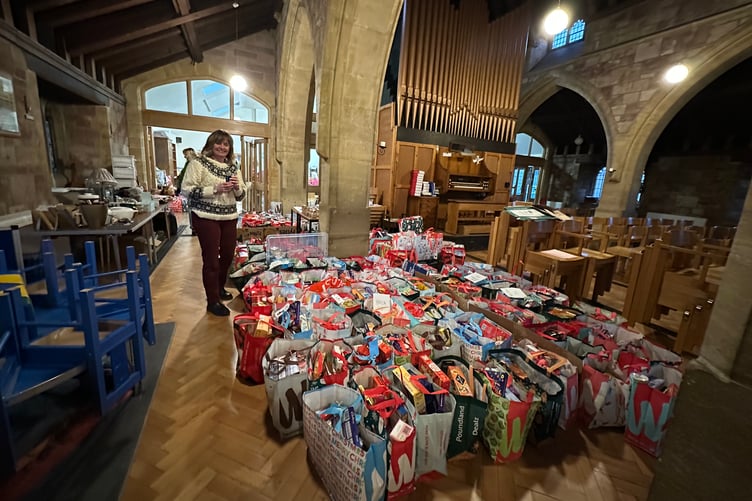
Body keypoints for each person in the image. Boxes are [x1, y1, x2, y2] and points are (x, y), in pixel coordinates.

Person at [181, 130, 246, 317]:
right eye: (219, 143)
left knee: (226, 257)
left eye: (226, 144)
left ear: (230, 148)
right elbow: (185, 190)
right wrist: (214, 189)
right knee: (211, 261)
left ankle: (219, 289)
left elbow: (241, 195)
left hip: (229, 218)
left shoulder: (234, 167)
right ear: (211, 145)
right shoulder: (198, 163)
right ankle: (212, 301)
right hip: (206, 217)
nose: (222, 147)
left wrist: (236, 188)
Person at [176, 147, 197, 234]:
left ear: (191, 152)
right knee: (191, 209)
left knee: (193, 210)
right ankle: (193, 228)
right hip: (189, 190)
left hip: (194, 190)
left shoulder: (195, 163)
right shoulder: (188, 163)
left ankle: (195, 228)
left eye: (186, 154)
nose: (185, 156)